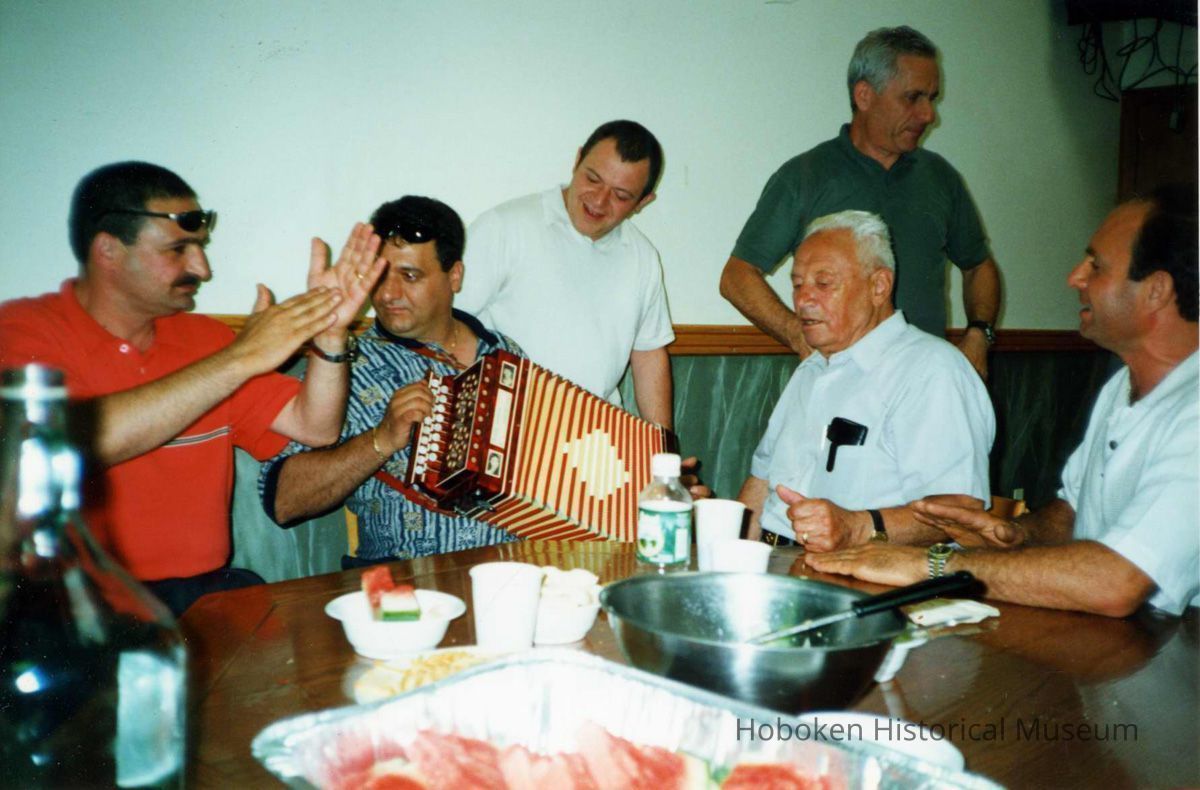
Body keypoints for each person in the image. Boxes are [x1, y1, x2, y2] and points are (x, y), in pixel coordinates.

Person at [0, 161, 385, 614]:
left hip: (203, 593)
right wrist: (241, 357)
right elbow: (69, 442)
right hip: (74, 602)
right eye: (178, 249)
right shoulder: (25, 330)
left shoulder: (205, 339)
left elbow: (315, 427)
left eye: (201, 247)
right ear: (108, 251)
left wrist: (330, 335)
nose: (202, 268)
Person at [807, 185, 1198, 618]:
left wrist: (930, 566)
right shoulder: (1121, 386)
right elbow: (1071, 515)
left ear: (1157, 290)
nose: (1075, 277)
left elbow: (1116, 583)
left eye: (1096, 266)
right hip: (1114, 642)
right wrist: (1013, 534)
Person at [719, 26, 1001, 378]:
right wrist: (796, 333)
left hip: (925, 381)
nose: (928, 114)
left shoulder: (941, 178)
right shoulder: (805, 177)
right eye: (913, 98)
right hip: (838, 383)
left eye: (931, 98)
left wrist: (979, 335)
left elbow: (978, 267)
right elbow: (736, 276)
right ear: (864, 96)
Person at [259, 196, 524, 565]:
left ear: (455, 276)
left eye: (410, 276)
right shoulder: (344, 366)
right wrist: (381, 440)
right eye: (380, 275)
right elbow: (284, 501)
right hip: (405, 579)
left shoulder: (504, 353)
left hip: (512, 570)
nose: (386, 294)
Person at [738, 210, 994, 550]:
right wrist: (725, 550)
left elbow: (958, 511)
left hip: (861, 569)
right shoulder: (811, 369)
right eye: (798, 284)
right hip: (772, 559)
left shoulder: (932, 370)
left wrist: (856, 527)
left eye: (823, 284)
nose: (803, 299)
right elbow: (761, 483)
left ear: (879, 286)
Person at [456, 120, 676, 427]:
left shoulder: (643, 258)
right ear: (577, 160)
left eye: (621, 195)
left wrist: (663, 446)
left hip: (596, 435)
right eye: (593, 179)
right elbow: (443, 326)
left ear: (643, 202)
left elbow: (649, 355)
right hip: (504, 428)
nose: (599, 201)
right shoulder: (505, 227)